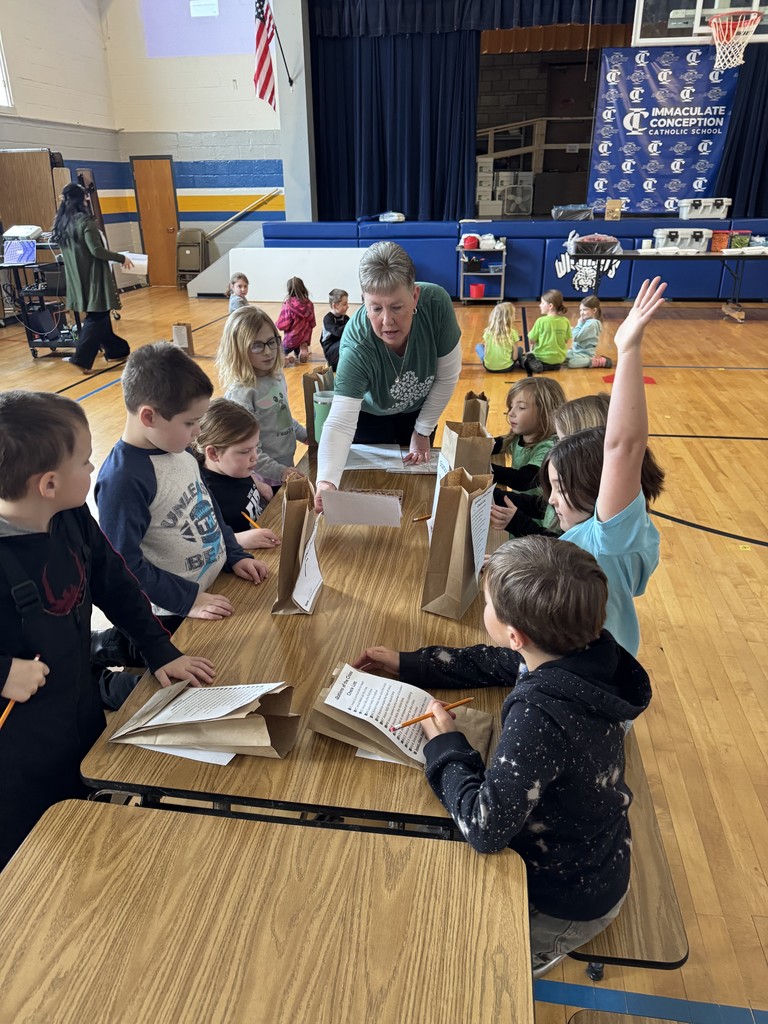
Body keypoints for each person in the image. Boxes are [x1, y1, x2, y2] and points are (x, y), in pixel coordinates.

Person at [354, 536, 652, 974]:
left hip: (564, 900)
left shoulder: (540, 715)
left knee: (471, 966)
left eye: (489, 602)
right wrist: (413, 663)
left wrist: (445, 745)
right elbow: (501, 663)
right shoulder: (584, 648)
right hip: (595, 855)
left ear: (516, 634)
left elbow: (485, 826)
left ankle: (538, 955)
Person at [0, 390, 216, 869]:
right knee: (32, 853)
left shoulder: (71, 515)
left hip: (75, 708)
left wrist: (161, 651)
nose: (94, 469)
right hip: (17, 750)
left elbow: (115, 585)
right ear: (49, 483)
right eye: (85, 461)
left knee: (86, 806)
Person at [94, 342, 268, 643]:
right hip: (174, 612)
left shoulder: (179, 449)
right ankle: (106, 647)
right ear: (149, 417)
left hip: (213, 588)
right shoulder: (122, 480)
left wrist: (234, 555)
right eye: (190, 422)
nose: (198, 431)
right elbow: (123, 564)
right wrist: (188, 600)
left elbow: (209, 510)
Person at [540, 277, 667, 656]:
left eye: (561, 489)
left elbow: (623, 446)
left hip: (590, 685)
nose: (552, 501)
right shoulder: (601, 534)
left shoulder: (609, 536)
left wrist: (628, 350)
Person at [314, 242, 462, 511]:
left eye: (397, 307)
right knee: (371, 485)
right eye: (375, 308)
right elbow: (340, 422)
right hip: (370, 415)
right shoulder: (356, 346)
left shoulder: (436, 304)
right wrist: (326, 481)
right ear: (364, 301)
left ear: (415, 296)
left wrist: (423, 428)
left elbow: (447, 377)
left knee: (418, 489)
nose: (386, 322)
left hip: (420, 410)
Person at [216, 306, 307, 488]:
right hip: (263, 477)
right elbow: (248, 450)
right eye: (257, 346)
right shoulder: (241, 394)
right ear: (238, 349)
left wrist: (307, 436)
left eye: (271, 341)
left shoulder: (276, 376)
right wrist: (279, 471)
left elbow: (283, 418)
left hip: (285, 467)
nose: (268, 351)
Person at [51, 181, 134, 373]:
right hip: (93, 277)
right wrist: (122, 258)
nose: (88, 198)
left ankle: (117, 350)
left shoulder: (62, 223)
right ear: (82, 199)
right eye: (86, 196)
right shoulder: (84, 221)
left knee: (100, 317)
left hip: (77, 279)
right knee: (97, 316)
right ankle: (81, 358)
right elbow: (96, 250)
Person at [194, 397, 280, 550]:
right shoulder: (204, 495)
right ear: (213, 453)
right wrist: (237, 539)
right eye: (245, 451)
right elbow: (201, 544)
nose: (255, 456)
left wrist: (257, 483)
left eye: (255, 447)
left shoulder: (238, 469)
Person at [490, 377, 564, 537]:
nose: (511, 413)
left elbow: (525, 480)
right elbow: (496, 444)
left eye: (521, 407)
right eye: (510, 406)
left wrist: (487, 470)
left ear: (546, 413)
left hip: (536, 519)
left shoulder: (548, 447)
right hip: (519, 507)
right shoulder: (521, 435)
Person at [524, 289, 570, 374]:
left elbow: (531, 340)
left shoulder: (541, 321)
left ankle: (538, 364)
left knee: (525, 359)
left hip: (542, 358)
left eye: (542, 303)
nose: (539, 305)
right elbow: (566, 340)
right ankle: (553, 365)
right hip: (559, 359)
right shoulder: (565, 321)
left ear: (550, 306)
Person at [276, 276, 316, 365]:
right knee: (300, 347)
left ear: (289, 290)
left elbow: (284, 324)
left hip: (291, 339)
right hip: (304, 338)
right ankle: (302, 349)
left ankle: (285, 359)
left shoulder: (288, 305)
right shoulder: (309, 304)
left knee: (278, 353)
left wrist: (276, 324)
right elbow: (312, 323)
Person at [566, 295, 612, 369]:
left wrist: (579, 323)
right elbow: (577, 332)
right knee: (560, 356)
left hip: (584, 354)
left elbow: (576, 338)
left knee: (571, 363)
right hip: (576, 351)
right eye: (580, 310)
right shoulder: (587, 322)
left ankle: (596, 361)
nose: (582, 313)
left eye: (585, 310)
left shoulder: (592, 324)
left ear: (594, 310)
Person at [475, 301, 521, 373]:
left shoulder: (488, 332)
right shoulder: (512, 333)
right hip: (507, 368)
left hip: (489, 368)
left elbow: (486, 352)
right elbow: (515, 357)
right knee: (520, 349)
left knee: (478, 346)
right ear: (510, 317)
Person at [319, 288, 350, 371]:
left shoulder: (346, 318)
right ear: (335, 305)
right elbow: (337, 332)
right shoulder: (328, 318)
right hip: (330, 349)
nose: (347, 306)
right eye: (344, 304)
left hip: (340, 346)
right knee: (348, 343)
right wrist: (351, 324)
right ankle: (334, 363)